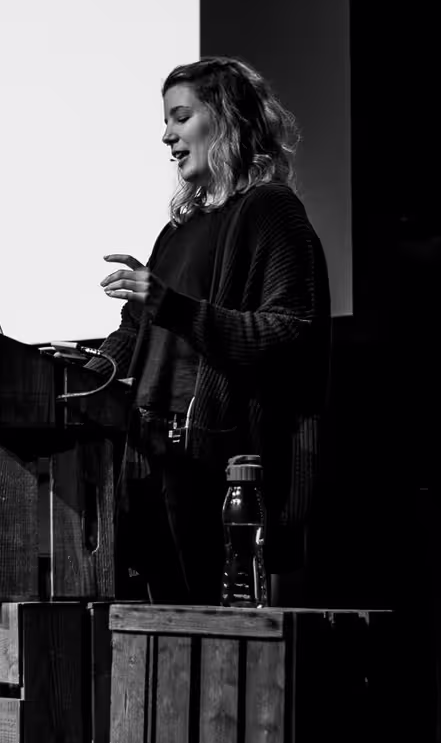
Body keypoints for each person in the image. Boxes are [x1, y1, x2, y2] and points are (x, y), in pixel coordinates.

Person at [85, 57, 332, 605]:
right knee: (166, 633)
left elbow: (289, 332)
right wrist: (87, 373)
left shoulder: (270, 210)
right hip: (149, 457)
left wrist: (173, 306)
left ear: (224, 118)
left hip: (217, 470)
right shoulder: (180, 229)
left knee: (215, 639)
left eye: (180, 117)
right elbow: (135, 327)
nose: (167, 135)